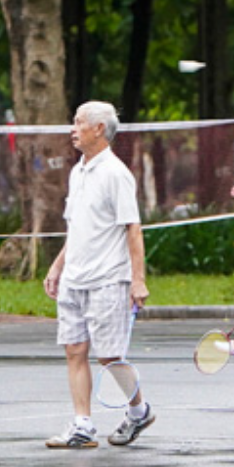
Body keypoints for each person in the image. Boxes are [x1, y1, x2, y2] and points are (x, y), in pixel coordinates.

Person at [42, 101, 154, 448]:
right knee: (74, 350)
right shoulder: (78, 171)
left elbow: (132, 230)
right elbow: (77, 228)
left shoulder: (116, 173)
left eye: (79, 123)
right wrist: (58, 266)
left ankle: (138, 411)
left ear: (99, 129)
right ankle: (82, 425)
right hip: (75, 278)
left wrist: (138, 280)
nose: (73, 129)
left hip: (108, 279)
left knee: (109, 357)